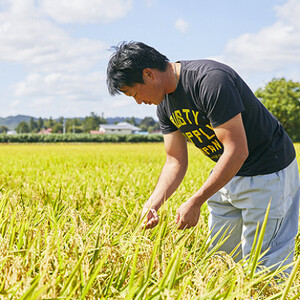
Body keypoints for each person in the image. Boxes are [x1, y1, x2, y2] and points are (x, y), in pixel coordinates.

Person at [106, 41, 299, 272]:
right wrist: (152, 204)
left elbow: (237, 150)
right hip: (227, 175)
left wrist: (196, 201)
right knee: (221, 262)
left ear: (148, 74)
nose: (138, 102)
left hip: (267, 173)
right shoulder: (164, 105)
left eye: (134, 93)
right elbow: (175, 160)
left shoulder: (210, 81)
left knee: (267, 267)